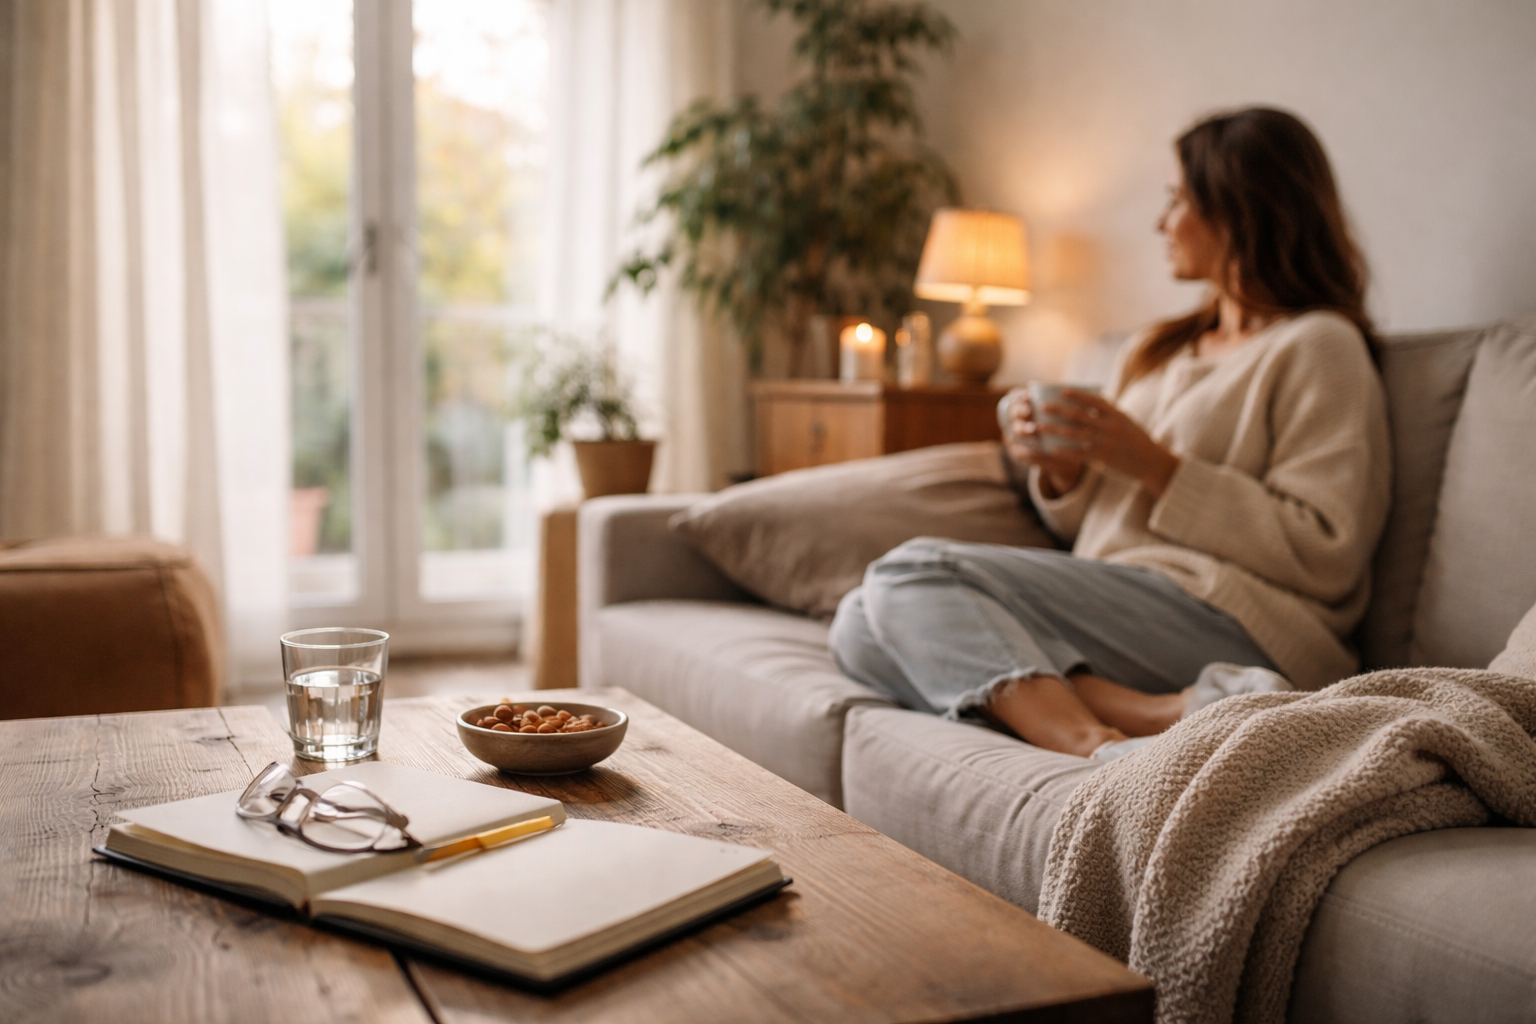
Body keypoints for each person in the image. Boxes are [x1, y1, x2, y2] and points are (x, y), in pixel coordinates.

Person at [828, 107, 1392, 760]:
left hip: (1237, 619)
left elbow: (1329, 550)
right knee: (857, 628)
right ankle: (1170, 712)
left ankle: (1091, 740)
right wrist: (1060, 470)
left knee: (908, 574)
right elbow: (1086, 531)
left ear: (1240, 209)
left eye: (1178, 199)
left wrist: (1155, 466)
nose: (1161, 222)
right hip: (1116, 600)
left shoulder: (1319, 345)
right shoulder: (1159, 348)